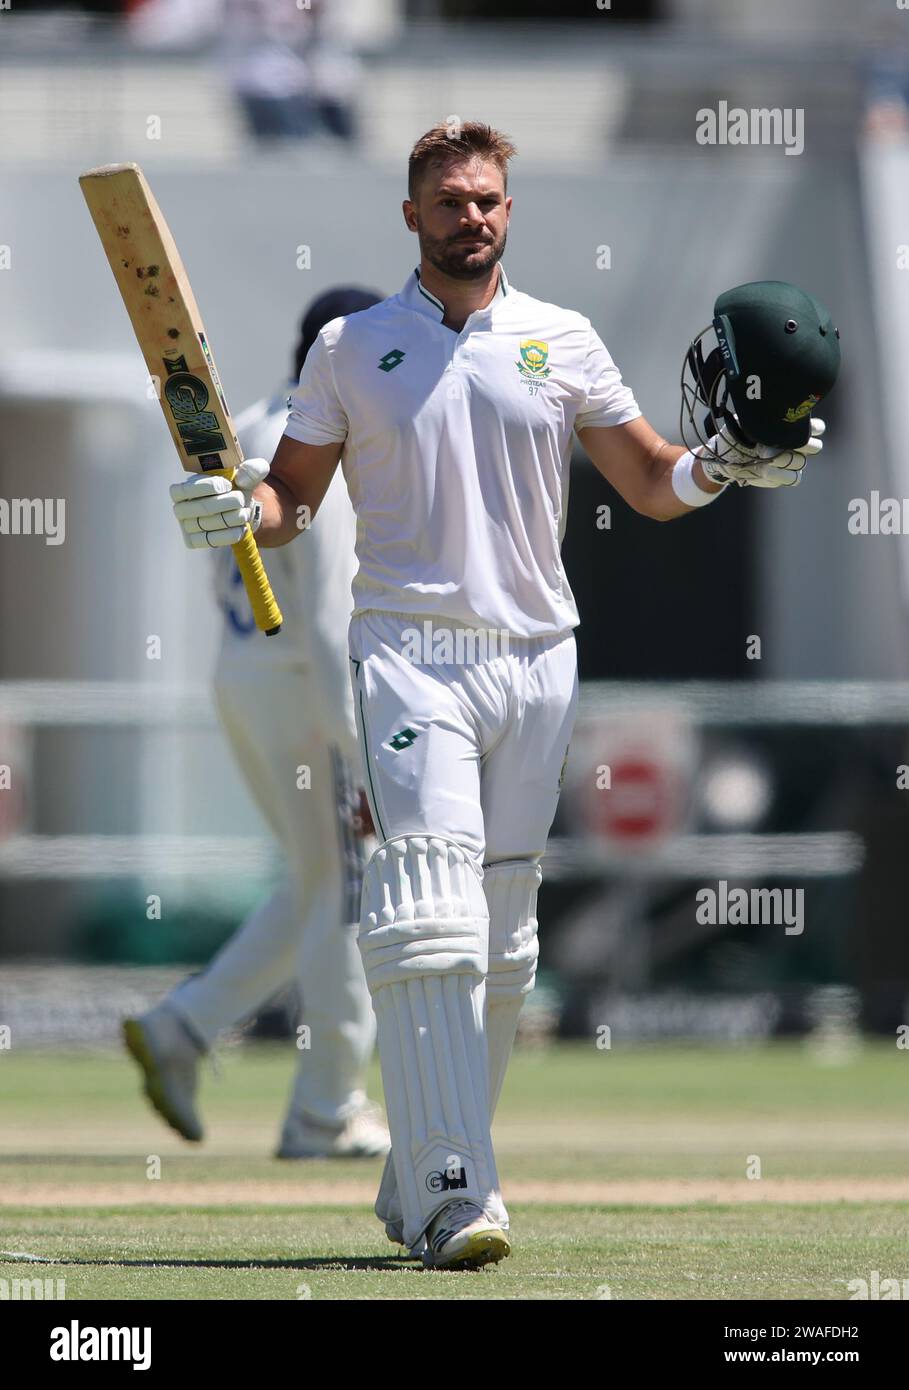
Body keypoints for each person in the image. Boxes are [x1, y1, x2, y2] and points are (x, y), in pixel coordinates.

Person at [169, 122, 832, 1267]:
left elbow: (651, 477)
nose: (470, 215)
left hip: (537, 656)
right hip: (410, 652)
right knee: (431, 914)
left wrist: (720, 465)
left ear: (508, 213)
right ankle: (453, 1194)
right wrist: (237, 513)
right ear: (413, 216)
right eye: (448, 200)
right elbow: (291, 501)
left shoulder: (561, 339)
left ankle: (413, 1165)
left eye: (486, 199)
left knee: (509, 940)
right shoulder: (351, 345)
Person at [124, 288, 390, 1161]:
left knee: (318, 886)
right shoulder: (319, 443)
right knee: (350, 891)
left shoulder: (246, 425)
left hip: (242, 679)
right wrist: (359, 750)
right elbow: (319, 616)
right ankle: (326, 1108)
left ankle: (183, 1027)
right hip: (308, 691)